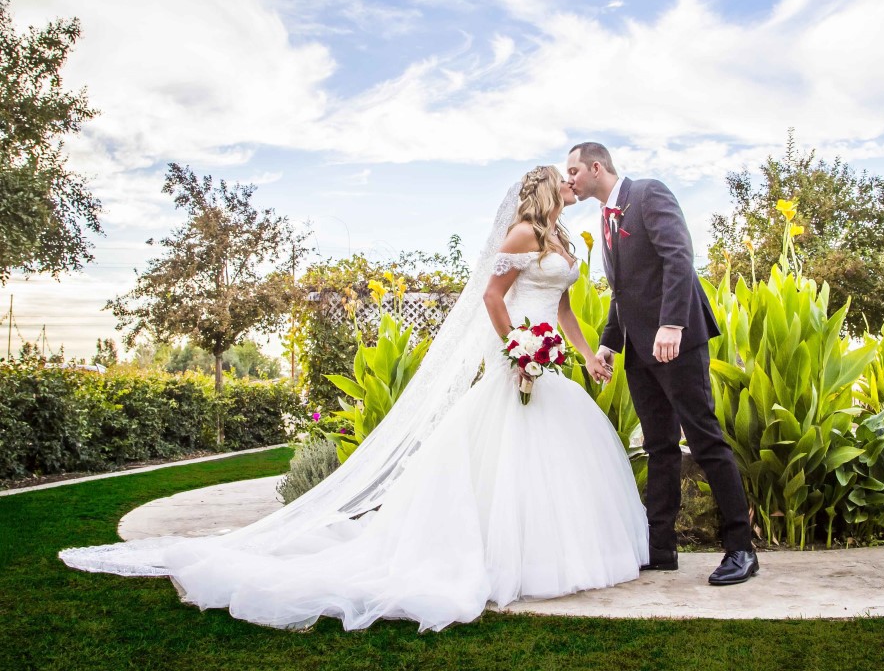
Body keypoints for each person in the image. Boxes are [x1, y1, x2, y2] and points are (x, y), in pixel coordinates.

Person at [59, 166, 649, 632]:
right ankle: (500, 560)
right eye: (564, 178)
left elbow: (565, 307)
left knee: (556, 456)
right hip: (517, 354)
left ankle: (553, 555)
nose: (573, 184)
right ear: (547, 189)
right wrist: (516, 347)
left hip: (547, 355)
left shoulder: (565, 240)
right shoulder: (522, 232)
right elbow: (495, 298)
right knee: (504, 454)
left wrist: (581, 351)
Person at [565, 142, 758, 585]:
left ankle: (742, 549)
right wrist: (610, 345)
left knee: (705, 438)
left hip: (677, 341)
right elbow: (624, 292)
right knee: (660, 446)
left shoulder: (648, 193)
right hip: (639, 350)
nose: (570, 178)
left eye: (574, 170)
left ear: (597, 167)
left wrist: (672, 324)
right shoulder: (607, 218)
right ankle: (662, 548)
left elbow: (678, 256)